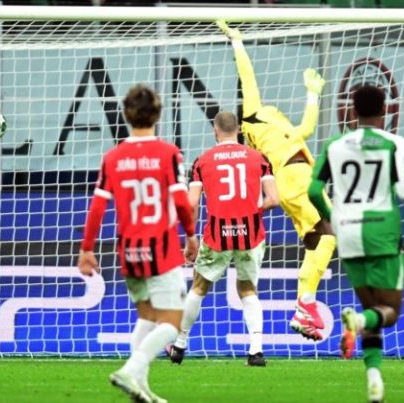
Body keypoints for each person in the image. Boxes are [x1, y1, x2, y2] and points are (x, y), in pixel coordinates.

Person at [308, 85, 404, 403]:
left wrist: (330, 217)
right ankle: (359, 323)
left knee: (372, 309)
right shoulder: (392, 144)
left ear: (352, 111)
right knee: (389, 311)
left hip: (348, 232)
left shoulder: (334, 145)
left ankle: (375, 382)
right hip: (382, 233)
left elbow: (313, 191)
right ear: (385, 111)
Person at [78, 84, 199, 403]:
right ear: (158, 114)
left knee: (147, 317)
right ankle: (131, 370)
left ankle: (140, 387)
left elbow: (98, 205)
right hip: (160, 246)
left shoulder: (113, 157)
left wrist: (86, 249)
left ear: (126, 115)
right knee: (172, 324)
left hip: (128, 249)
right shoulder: (168, 153)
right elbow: (182, 202)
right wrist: (190, 234)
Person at [218, 20, 336, 341]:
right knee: (332, 233)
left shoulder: (280, 125)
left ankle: (303, 309)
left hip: (296, 179)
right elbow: (248, 77)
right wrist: (237, 43)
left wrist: (312, 95)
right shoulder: (253, 116)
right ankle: (305, 303)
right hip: (295, 177)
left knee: (315, 241)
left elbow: (307, 130)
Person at [165, 111, 279, 367]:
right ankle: (256, 351)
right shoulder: (259, 159)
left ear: (215, 130)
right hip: (251, 234)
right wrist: (250, 209)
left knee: (199, 287)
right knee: (248, 289)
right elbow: (274, 199)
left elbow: (192, 202)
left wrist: (190, 238)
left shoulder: (202, 162)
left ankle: (179, 346)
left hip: (217, 235)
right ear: (238, 129)